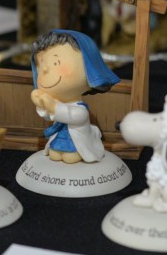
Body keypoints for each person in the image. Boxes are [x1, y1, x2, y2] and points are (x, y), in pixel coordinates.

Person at [30, 29, 119, 164]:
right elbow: (49, 116)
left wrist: (53, 106)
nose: (45, 70)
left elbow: (75, 116)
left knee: (70, 157)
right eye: (41, 68)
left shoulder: (80, 110)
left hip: (76, 142)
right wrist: (42, 104)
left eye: (56, 63)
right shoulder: (57, 103)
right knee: (54, 154)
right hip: (58, 139)